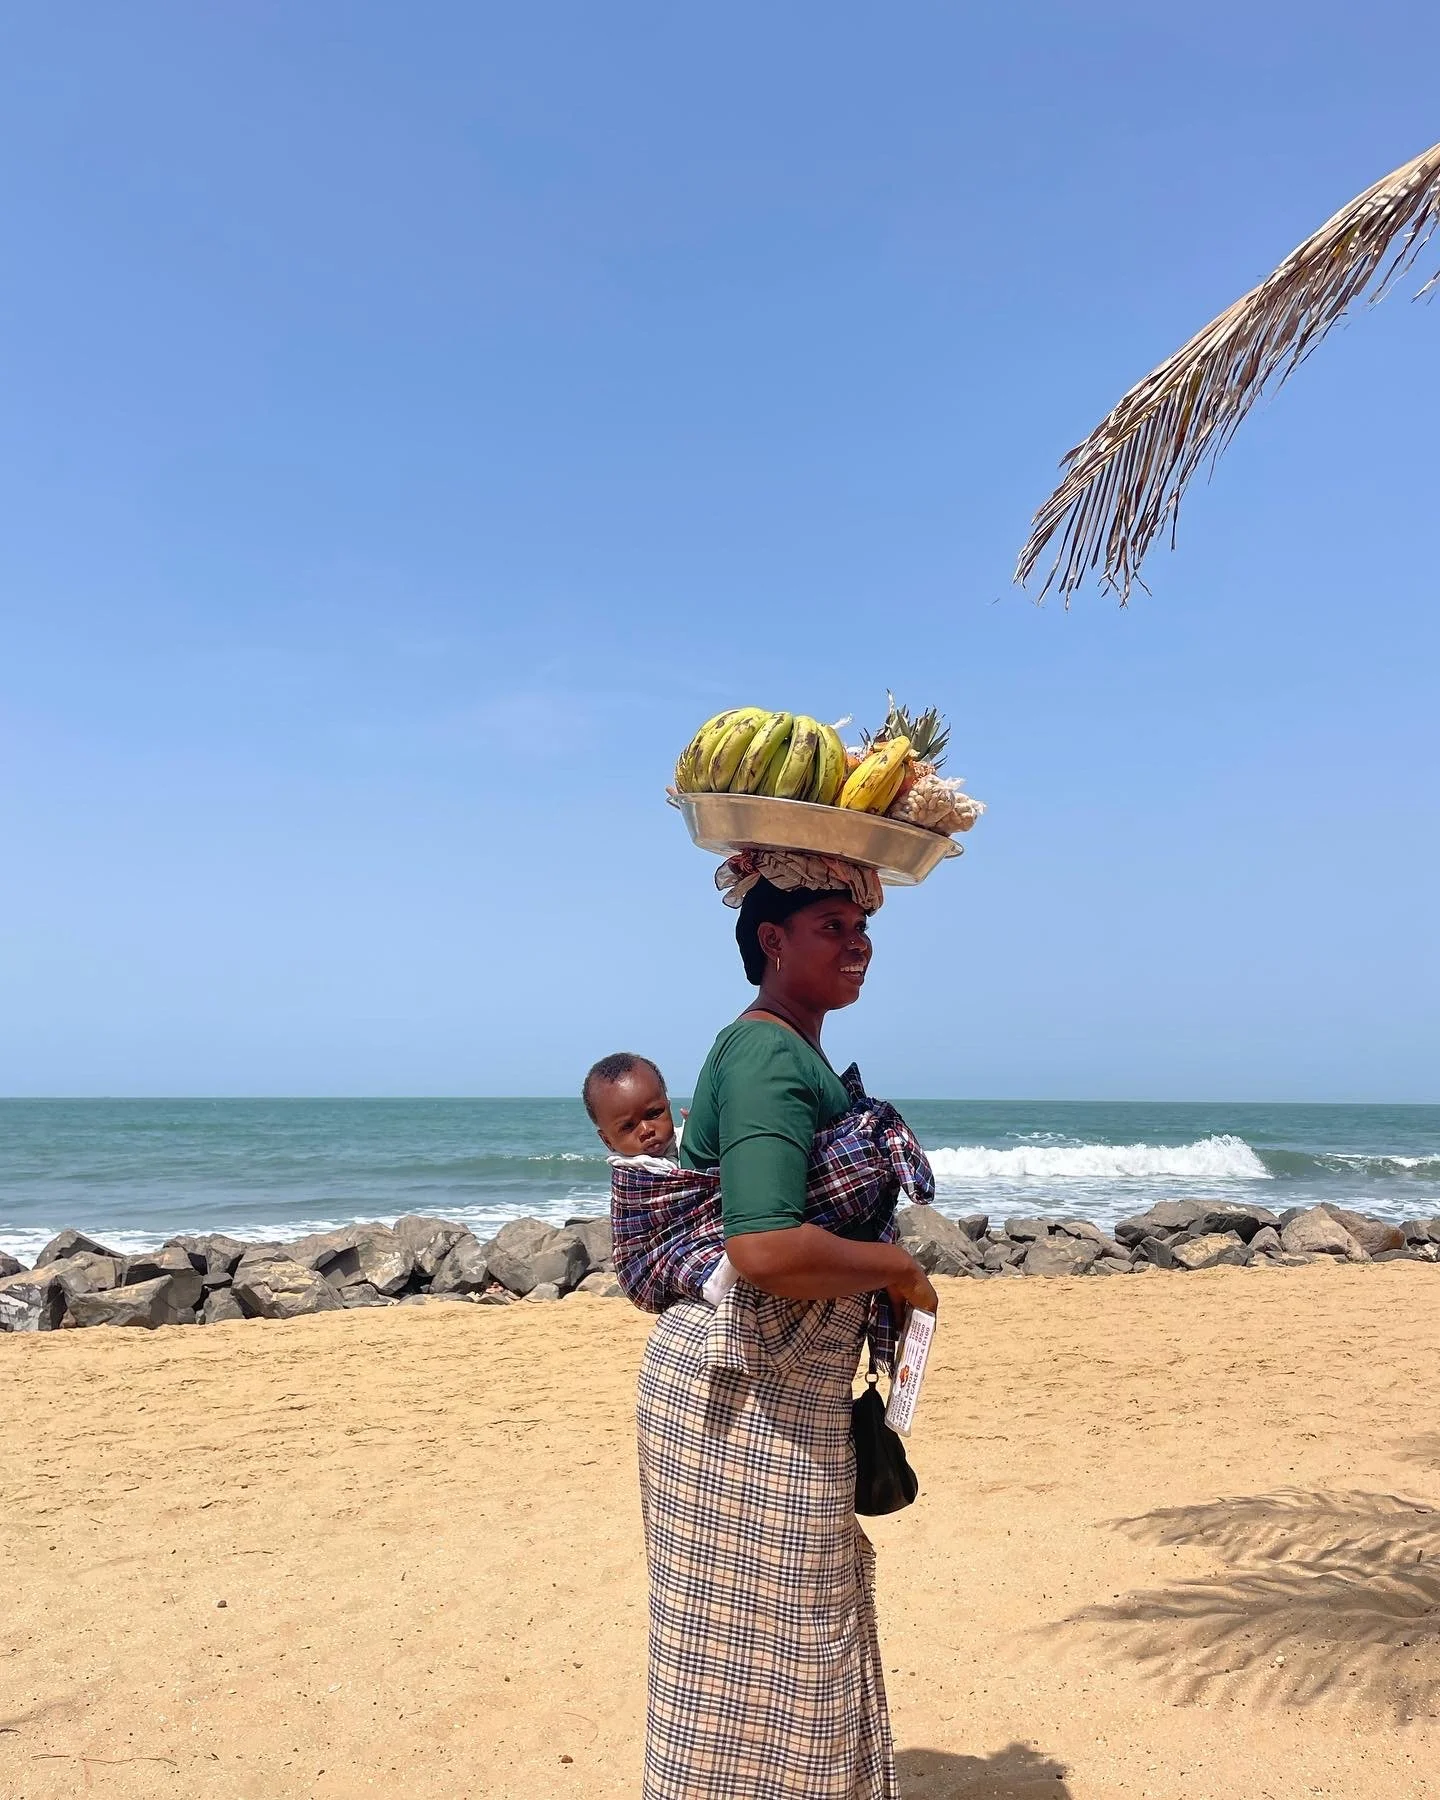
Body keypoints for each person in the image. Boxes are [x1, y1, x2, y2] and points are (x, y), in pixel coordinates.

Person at [634, 854, 940, 1800]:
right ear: (771, 940)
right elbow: (764, 1247)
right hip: (740, 1398)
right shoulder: (768, 1052)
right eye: (831, 928)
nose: (859, 945)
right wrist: (898, 1269)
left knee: (779, 1651)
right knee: (767, 1657)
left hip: (775, 1393)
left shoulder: (789, 1050)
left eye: (862, 927)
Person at [583, 1052, 679, 1162]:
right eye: (628, 1126)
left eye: (654, 1113)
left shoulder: (682, 1141)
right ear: (608, 1141)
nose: (646, 1130)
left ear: (668, 1106)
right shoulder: (634, 1169)